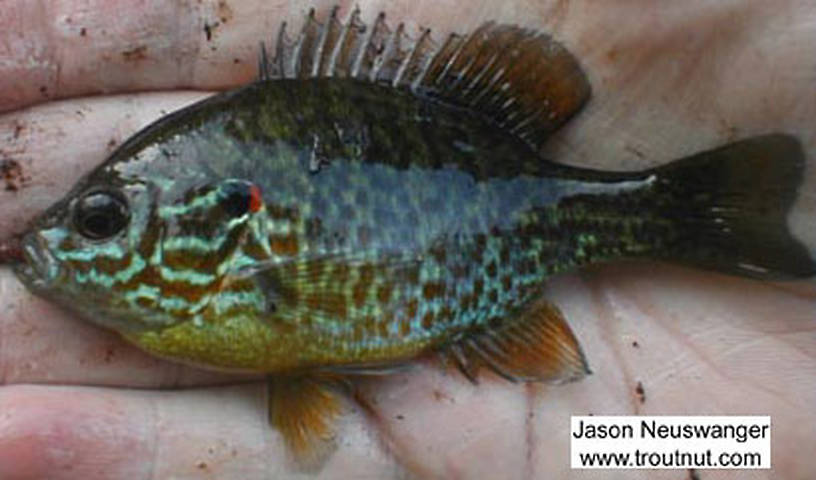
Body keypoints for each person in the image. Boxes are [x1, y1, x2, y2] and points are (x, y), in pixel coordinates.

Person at [0, 1, 814, 478]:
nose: (61, 242)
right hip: (726, 426)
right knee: (678, 447)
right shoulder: (760, 434)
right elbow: (732, 446)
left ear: (225, 215)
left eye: (104, 218)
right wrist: (763, 443)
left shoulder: (248, 290)